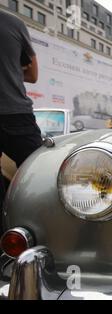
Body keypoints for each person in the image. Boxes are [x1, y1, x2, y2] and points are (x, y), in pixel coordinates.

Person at [0, 11, 42, 220]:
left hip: (15, 113)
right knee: (37, 174)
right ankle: (37, 230)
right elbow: (33, 75)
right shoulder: (13, 23)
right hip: (15, 113)